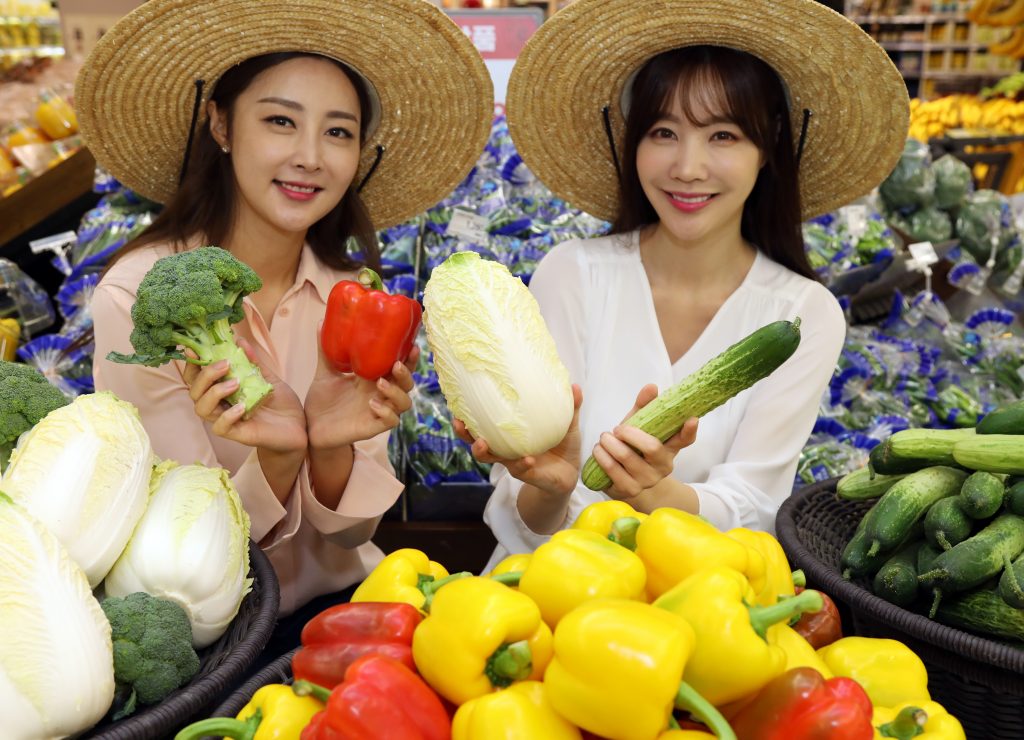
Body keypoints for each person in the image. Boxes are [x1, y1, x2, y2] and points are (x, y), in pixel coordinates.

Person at [76, 0, 494, 619]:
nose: (310, 156)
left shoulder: (354, 298)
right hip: (213, 633)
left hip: (348, 606)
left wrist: (329, 446)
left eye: (338, 132)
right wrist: (277, 457)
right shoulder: (136, 297)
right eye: (280, 121)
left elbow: (352, 535)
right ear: (221, 126)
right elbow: (181, 553)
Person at [472, 0, 910, 570]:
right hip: (538, 598)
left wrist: (654, 493)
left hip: (697, 606)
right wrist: (550, 488)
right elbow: (522, 517)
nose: (687, 167)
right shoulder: (572, 274)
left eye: (723, 135)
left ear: (769, 146)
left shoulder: (804, 314)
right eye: (663, 132)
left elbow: (753, 512)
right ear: (633, 142)